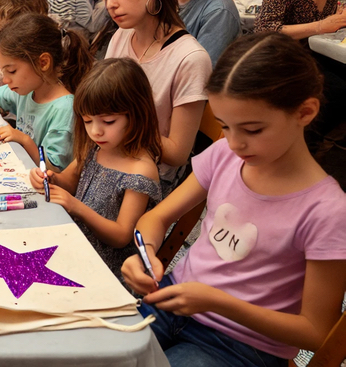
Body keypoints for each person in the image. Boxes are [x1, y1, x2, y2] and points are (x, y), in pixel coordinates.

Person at [122, 33, 346, 367]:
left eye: (252, 130)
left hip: (241, 344)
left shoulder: (327, 210)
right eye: (225, 126)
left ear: (306, 112)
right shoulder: (225, 155)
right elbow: (154, 219)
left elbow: (315, 330)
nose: (236, 143)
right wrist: (146, 253)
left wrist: (218, 302)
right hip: (173, 298)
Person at [29, 58, 161, 278]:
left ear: (137, 115)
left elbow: (121, 236)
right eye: (87, 121)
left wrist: (76, 207)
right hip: (73, 246)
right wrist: (50, 179)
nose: (95, 131)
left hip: (104, 270)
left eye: (108, 121)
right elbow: (69, 182)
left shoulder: (141, 171)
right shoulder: (95, 147)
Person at [97, 0, 211, 187]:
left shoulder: (189, 58)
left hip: (149, 178)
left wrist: (116, 127)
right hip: (110, 156)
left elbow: (178, 152)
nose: (110, 4)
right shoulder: (122, 35)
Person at [255, 0, 346, 146]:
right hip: (280, 59)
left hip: (309, 57)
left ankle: (315, 142)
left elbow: (321, 32)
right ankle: (301, 146)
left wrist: (336, 22)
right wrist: (321, 26)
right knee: (337, 91)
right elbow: (264, 29)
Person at [0, 13, 93, 170]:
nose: (5, 80)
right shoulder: (28, 91)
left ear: (43, 63)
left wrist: (23, 140)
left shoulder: (65, 109)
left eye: (11, 71)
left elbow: (55, 171)